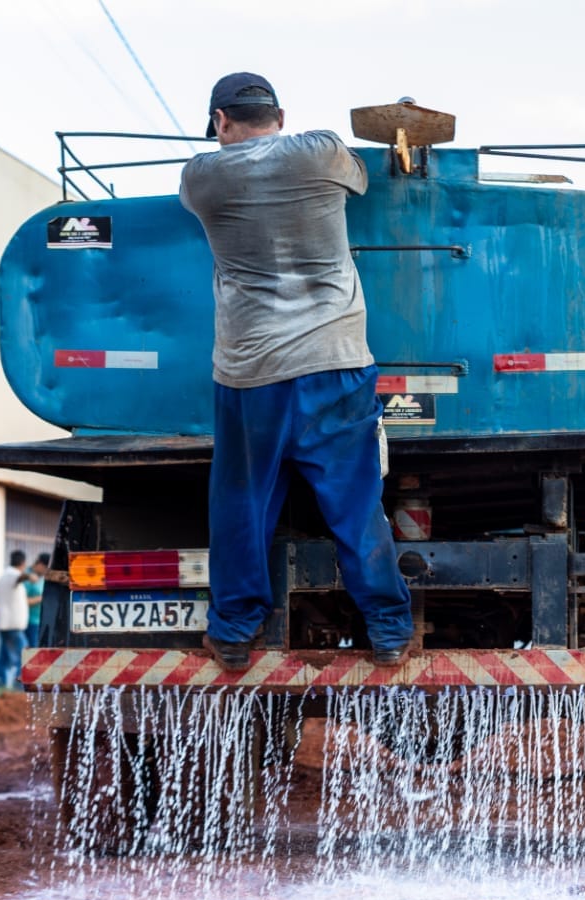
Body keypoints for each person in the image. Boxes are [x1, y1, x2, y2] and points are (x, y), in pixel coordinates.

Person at [179, 72, 413, 670]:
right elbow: (364, 180)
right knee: (356, 504)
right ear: (279, 116)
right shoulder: (321, 152)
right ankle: (389, 632)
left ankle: (233, 634)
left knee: (242, 505)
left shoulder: (201, 177)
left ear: (220, 122)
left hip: (249, 374)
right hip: (335, 363)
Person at [0, 549, 30, 689]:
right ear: (23, 563)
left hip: (5, 624)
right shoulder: (12, 575)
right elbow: (19, 578)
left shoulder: (3, 576)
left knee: (4, 657)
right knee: (24, 655)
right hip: (12, 625)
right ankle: (18, 687)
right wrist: (28, 577)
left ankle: (0, 685)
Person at [23, 553, 50, 647]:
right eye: (45, 568)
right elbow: (21, 601)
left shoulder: (42, 578)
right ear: (40, 564)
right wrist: (41, 599)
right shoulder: (26, 577)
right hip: (29, 622)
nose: (46, 571)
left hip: (40, 621)